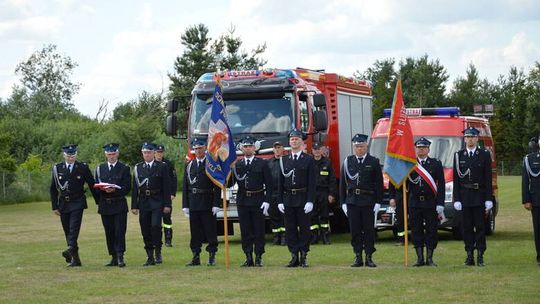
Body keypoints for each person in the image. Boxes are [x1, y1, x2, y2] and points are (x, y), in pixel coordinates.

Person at [50, 144, 98, 267]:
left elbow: (92, 184)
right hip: (63, 203)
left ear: (76, 155)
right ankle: (75, 259)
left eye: (73, 155)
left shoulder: (82, 167)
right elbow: (53, 188)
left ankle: (70, 250)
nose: (71, 157)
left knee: (73, 228)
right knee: (67, 230)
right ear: (64, 155)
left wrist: (99, 201)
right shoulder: (57, 168)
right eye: (69, 155)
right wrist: (54, 206)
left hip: (78, 202)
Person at [340, 134, 383, 268]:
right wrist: (343, 202)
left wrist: (378, 202)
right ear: (354, 147)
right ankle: (358, 256)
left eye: (362, 146)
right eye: (357, 146)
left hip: (368, 201)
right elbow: (342, 184)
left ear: (366, 146)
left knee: (369, 230)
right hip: (352, 201)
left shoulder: (373, 161)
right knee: (355, 230)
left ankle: (369, 256)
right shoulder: (348, 161)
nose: (359, 149)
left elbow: (379, 184)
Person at [453, 127, 493, 267]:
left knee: (480, 227)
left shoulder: (484, 155)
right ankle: (469, 254)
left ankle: (480, 254)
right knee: (466, 227)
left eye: (472, 137)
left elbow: (488, 178)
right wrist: (456, 199)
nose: (470, 139)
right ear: (465, 139)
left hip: (479, 195)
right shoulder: (458, 155)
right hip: (464, 197)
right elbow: (456, 179)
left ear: (477, 139)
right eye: (467, 137)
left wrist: (489, 199)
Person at [232, 135, 273, 267]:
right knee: (245, 230)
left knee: (259, 230)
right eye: (245, 146)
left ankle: (259, 256)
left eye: (250, 146)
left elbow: (270, 184)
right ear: (242, 149)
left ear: (254, 148)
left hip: (258, 199)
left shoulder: (262, 163)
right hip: (243, 200)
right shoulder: (238, 164)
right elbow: (230, 183)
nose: (248, 149)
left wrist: (267, 201)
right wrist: (227, 170)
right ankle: (248, 256)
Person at [277, 129, 316, 267]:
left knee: (305, 229)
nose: (294, 141)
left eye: (296, 139)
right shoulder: (283, 160)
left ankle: (304, 254)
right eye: (292, 139)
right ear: (289, 142)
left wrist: (310, 200)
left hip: (303, 198)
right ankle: (294, 255)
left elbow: (312, 182)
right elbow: (280, 183)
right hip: (288, 199)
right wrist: (280, 201)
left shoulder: (309, 159)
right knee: (290, 229)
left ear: (301, 141)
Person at [405, 137, 445, 266]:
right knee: (416, 230)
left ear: (428, 149)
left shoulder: (436, 164)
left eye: (423, 147)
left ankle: (430, 258)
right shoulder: (409, 164)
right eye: (418, 147)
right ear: (415, 149)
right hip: (414, 203)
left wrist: (440, 203)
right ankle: (419, 259)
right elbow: (404, 185)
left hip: (430, 202)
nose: (421, 149)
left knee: (431, 230)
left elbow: (442, 185)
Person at [131, 143, 172, 266]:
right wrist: (134, 205)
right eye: (145, 152)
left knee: (155, 226)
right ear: (142, 154)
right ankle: (150, 255)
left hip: (157, 200)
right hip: (144, 201)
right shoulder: (138, 167)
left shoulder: (162, 166)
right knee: (145, 228)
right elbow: (135, 188)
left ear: (154, 153)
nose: (147, 155)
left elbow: (166, 186)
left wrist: (167, 204)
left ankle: (158, 251)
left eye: (149, 152)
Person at [182, 138, 221, 266]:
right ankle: (195, 256)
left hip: (207, 201)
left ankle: (211, 255)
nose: (198, 151)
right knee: (195, 232)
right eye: (196, 149)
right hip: (193, 202)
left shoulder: (211, 164)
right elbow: (185, 187)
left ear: (205, 148)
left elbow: (216, 186)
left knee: (210, 230)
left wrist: (216, 203)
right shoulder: (190, 165)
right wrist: (185, 205)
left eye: (200, 148)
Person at [95, 143, 131, 267]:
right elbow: (96, 186)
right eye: (109, 154)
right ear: (106, 155)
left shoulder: (124, 168)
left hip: (119, 203)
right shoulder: (100, 168)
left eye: (113, 154)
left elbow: (127, 187)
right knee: (109, 232)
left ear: (117, 154)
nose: (111, 156)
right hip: (105, 205)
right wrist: (102, 190)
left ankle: (120, 256)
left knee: (120, 231)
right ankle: (113, 257)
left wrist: (115, 190)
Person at [310, 142, 337, 245]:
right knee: (312, 215)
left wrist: (331, 194)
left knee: (324, 215)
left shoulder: (327, 162)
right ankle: (314, 237)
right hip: (312, 192)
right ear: (312, 150)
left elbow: (332, 180)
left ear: (321, 150)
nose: (316, 151)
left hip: (323, 192)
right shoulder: (309, 162)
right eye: (314, 149)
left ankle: (325, 236)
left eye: (318, 149)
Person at [155, 144, 178, 247]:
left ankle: (168, 239)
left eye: (161, 152)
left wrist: (172, 193)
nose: (159, 154)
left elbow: (173, 179)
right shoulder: (152, 164)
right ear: (154, 153)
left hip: (166, 196)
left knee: (167, 219)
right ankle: (156, 239)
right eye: (158, 152)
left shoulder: (168, 164)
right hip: (155, 196)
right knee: (156, 219)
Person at [522, 134, 540, 266]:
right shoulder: (530, 159)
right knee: (538, 229)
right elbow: (525, 181)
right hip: (536, 200)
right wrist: (526, 200)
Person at [267, 141, 287, 245]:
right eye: (276, 148)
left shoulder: (286, 161)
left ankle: (284, 237)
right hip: (272, 192)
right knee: (273, 215)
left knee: (284, 215)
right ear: (273, 149)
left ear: (283, 149)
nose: (277, 149)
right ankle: (276, 237)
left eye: (279, 147)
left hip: (284, 192)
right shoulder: (269, 163)